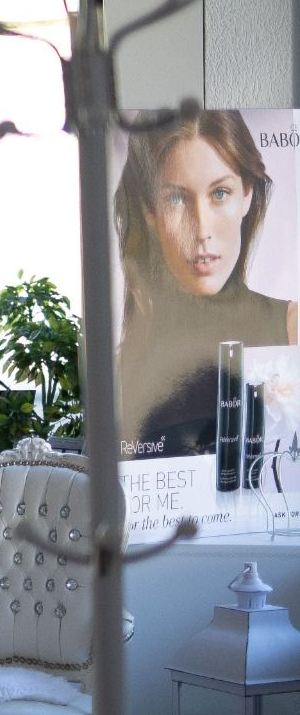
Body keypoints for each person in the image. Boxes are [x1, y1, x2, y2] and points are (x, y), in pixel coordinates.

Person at [115, 109, 297, 456]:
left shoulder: (292, 327)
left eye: (220, 193)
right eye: (177, 198)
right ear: (149, 211)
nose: (201, 230)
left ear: (247, 193)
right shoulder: (126, 363)